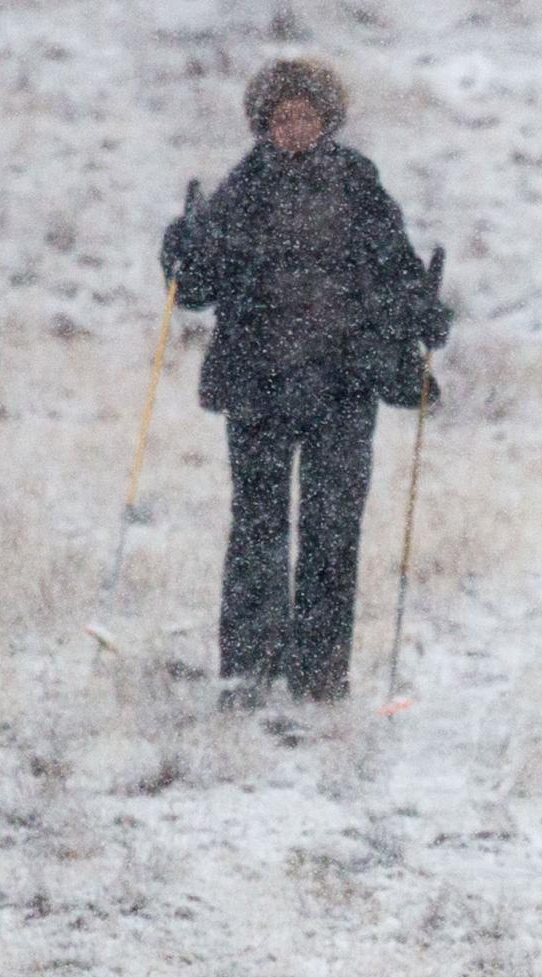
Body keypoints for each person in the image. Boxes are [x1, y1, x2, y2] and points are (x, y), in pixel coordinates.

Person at [159, 58, 448, 706]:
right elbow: (198, 288)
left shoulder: (358, 185)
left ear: (328, 120)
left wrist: (424, 313)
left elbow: (396, 273)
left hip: (343, 389)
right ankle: (248, 675)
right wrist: (178, 250)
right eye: (282, 117)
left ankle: (319, 681)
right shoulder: (243, 190)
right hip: (259, 387)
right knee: (257, 529)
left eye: (306, 116)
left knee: (331, 530)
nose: (294, 127)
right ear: (264, 125)